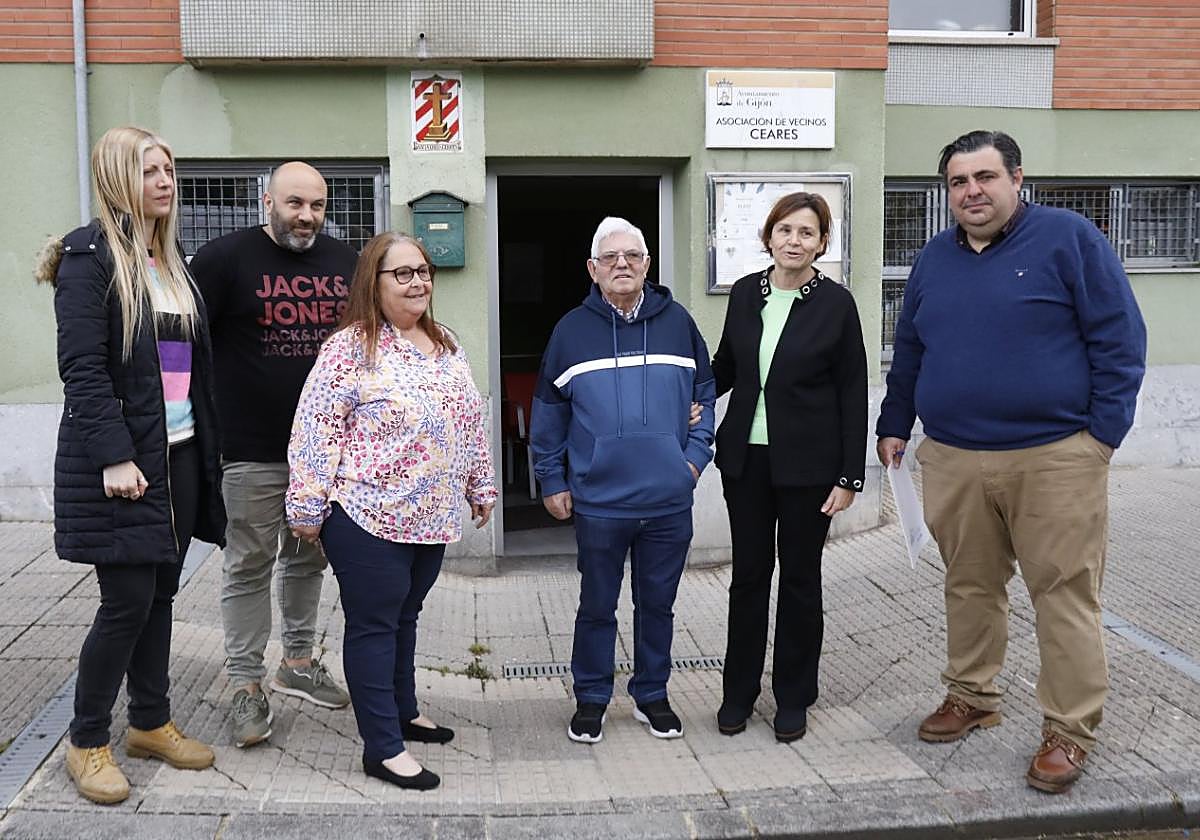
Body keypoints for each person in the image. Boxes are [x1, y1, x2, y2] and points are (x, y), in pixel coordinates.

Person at [876, 130, 1147, 794]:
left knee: (1062, 595)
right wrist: (894, 422)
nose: (971, 191)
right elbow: (910, 347)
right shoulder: (933, 260)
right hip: (954, 458)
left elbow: (1119, 335)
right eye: (958, 182)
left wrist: (1101, 438)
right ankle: (973, 696)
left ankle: (1068, 731)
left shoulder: (1068, 239)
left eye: (985, 177)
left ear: (1016, 179)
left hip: (1054, 459)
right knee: (968, 586)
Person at [36, 126, 226, 804]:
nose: (166, 181)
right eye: (151, 170)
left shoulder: (172, 262)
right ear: (119, 176)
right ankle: (86, 741)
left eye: (171, 168)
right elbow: (82, 371)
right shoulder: (88, 259)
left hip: (180, 453)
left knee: (163, 595)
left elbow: (185, 373)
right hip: (127, 461)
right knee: (125, 603)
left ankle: (149, 722)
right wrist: (114, 457)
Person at [286, 232, 496, 790]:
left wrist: (481, 483)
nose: (418, 282)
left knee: (406, 617)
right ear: (372, 283)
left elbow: (469, 419)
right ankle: (381, 747)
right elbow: (316, 427)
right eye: (401, 273)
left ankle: (404, 711)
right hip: (367, 514)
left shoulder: (446, 343)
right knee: (375, 625)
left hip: (431, 514)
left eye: (423, 271)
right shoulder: (351, 347)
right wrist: (306, 505)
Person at [531, 216, 716, 744]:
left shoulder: (678, 322)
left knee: (656, 605)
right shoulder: (570, 331)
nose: (622, 265)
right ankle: (591, 698)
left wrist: (692, 462)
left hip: (667, 500)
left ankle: (652, 694)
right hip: (599, 502)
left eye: (632, 256)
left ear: (647, 265)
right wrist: (552, 480)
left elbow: (705, 393)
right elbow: (548, 414)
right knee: (596, 605)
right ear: (592, 269)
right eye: (610, 258)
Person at [190, 162, 354, 748]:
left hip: (327, 451)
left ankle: (300, 661)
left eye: (316, 204)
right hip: (252, 448)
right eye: (294, 203)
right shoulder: (223, 259)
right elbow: (182, 343)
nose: (306, 216)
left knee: (309, 559)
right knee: (249, 563)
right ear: (267, 201)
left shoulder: (345, 263)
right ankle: (245, 684)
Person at [710, 192, 867, 743]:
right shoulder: (745, 294)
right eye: (785, 230)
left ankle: (794, 697)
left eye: (807, 233)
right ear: (768, 236)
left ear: (823, 243)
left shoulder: (836, 304)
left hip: (810, 469)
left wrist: (850, 475)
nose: (794, 241)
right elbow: (726, 365)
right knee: (749, 579)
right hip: (746, 462)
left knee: (800, 581)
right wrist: (694, 396)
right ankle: (738, 693)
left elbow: (852, 390)